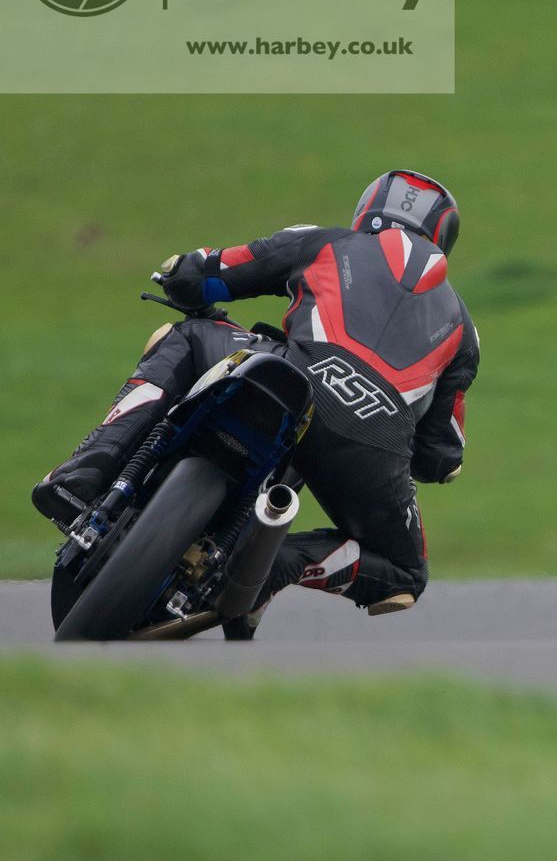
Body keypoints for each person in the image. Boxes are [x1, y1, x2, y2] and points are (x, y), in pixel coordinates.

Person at [33, 170, 479, 617]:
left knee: (186, 335)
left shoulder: (325, 242)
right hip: (373, 445)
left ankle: (84, 473)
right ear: (443, 238)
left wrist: (179, 277)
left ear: (369, 208)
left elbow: (210, 272)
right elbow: (440, 454)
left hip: (292, 378)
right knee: (403, 573)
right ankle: (269, 566)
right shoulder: (464, 329)